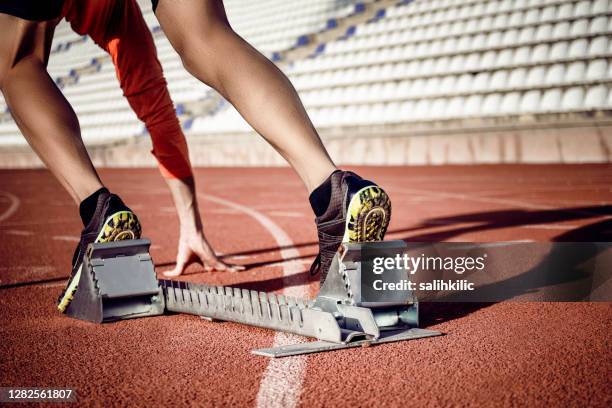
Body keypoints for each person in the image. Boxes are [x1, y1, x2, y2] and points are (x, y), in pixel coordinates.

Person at [0, 0, 391, 315]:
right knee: (207, 37)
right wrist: (190, 223)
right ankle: (331, 188)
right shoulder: (118, 17)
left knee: (17, 61)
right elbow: (158, 114)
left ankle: (95, 205)